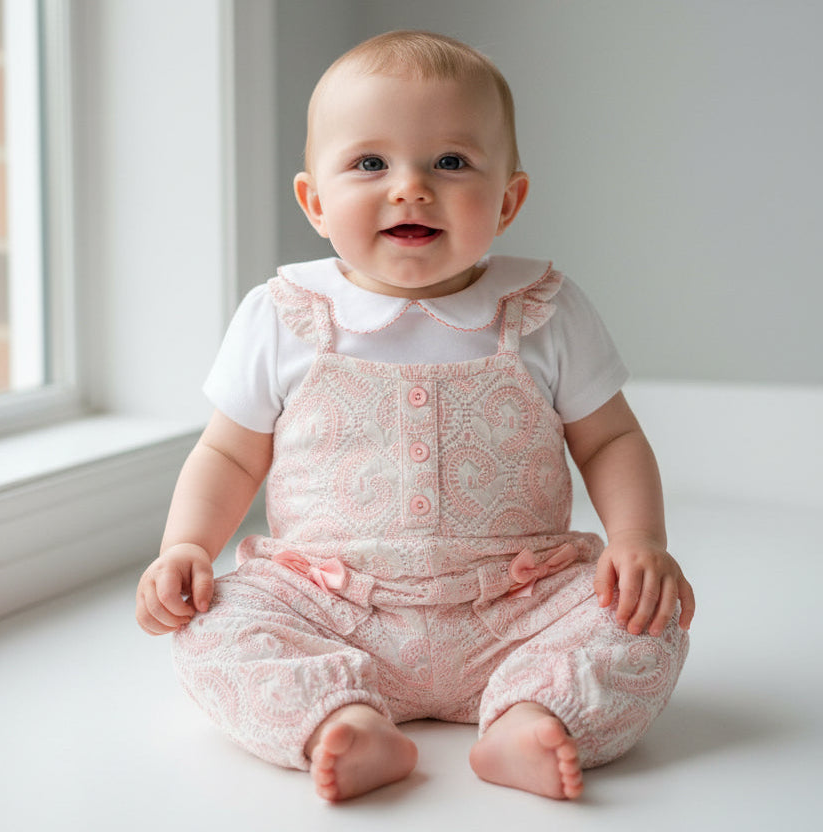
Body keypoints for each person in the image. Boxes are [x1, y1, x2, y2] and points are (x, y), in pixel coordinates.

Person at [135, 30, 694, 803]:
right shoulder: (282, 316)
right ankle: (341, 718)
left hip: (518, 603)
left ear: (508, 200)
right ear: (315, 201)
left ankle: (531, 713)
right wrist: (186, 546)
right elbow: (229, 456)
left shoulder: (542, 310)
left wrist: (639, 544)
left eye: (451, 162)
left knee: (645, 621)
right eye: (371, 163)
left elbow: (611, 440)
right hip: (327, 605)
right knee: (210, 627)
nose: (410, 187)